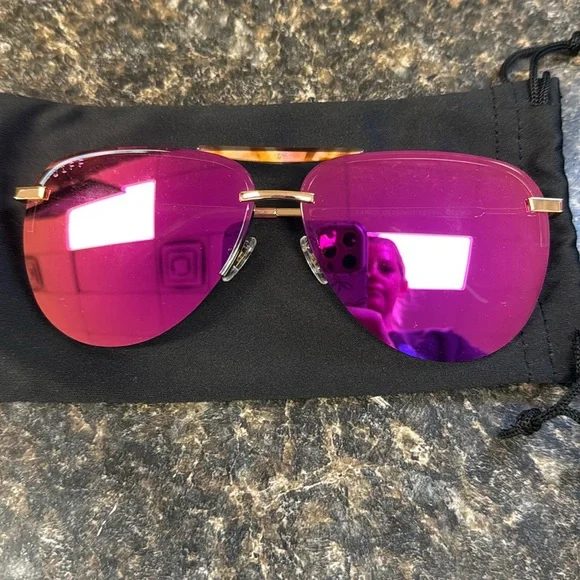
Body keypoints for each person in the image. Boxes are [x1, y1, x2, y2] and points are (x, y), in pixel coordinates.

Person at [348, 236, 485, 362]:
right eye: (360, 268)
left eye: (385, 269)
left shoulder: (444, 343)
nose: (372, 274)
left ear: (402, 287)